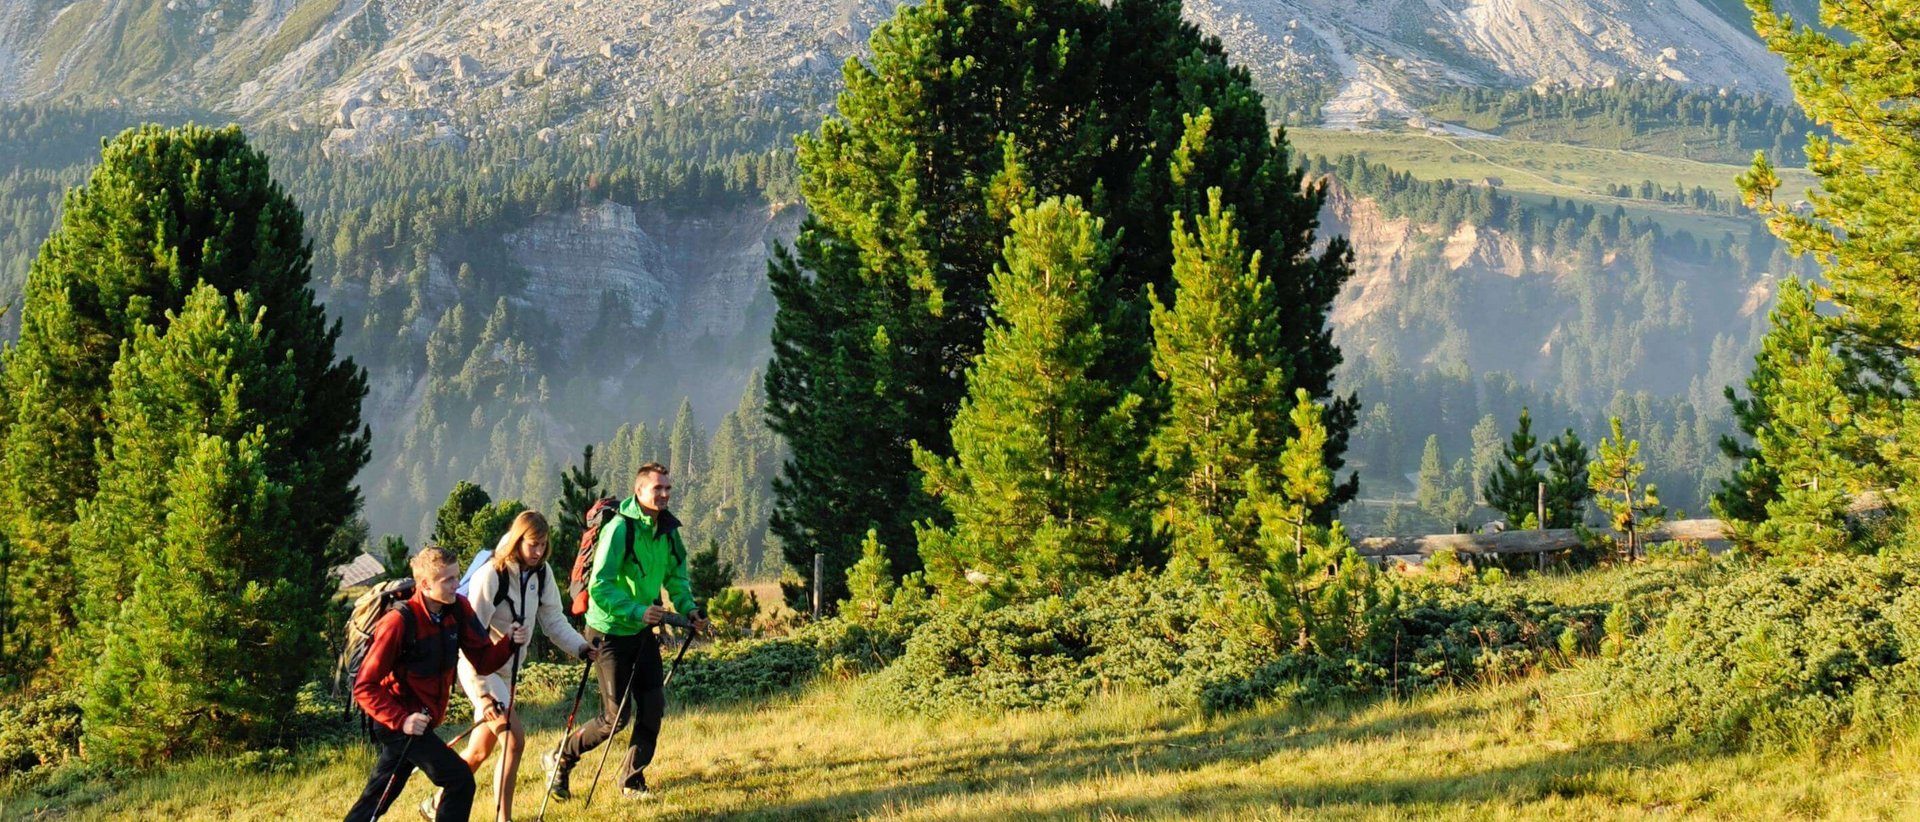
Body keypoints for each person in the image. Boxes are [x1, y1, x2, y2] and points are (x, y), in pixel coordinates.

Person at [544, 462, 709, 801]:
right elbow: (600, 586)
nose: (664, 494)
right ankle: (562, 756)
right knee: (615, 718)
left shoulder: (668, 530)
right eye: (657, 488)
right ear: (639, 491)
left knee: (653, 707)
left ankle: (632, 781)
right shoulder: (620, 528)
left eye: (668, 488)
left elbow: (676, 576)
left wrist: (689, 608)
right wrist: (637, 610)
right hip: (608, 632)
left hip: (641, 630)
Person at [421, 511, 594, 821]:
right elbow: (469, 640)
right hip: (481, 671)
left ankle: (434, 805)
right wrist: (484, 694)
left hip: (507, 673)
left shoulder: (541, 573)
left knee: (479, 751)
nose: (539, 551)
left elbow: (553, 621)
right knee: (514, 740)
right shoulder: (492, 574)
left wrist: (581, 647)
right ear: (517, 540)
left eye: (543, 544)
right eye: (533, 544)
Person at [344, 546, 528, 822]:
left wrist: (509, 643)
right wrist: (402, 720)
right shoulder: (398, 622)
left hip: (419, 722)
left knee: (379, 796)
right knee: (459, 779)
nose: (457, 584)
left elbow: (482, 661)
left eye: (457, 576)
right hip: (399, 724)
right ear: (425, 584)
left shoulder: (458, 609)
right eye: (448, 580)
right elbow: (364, 685)